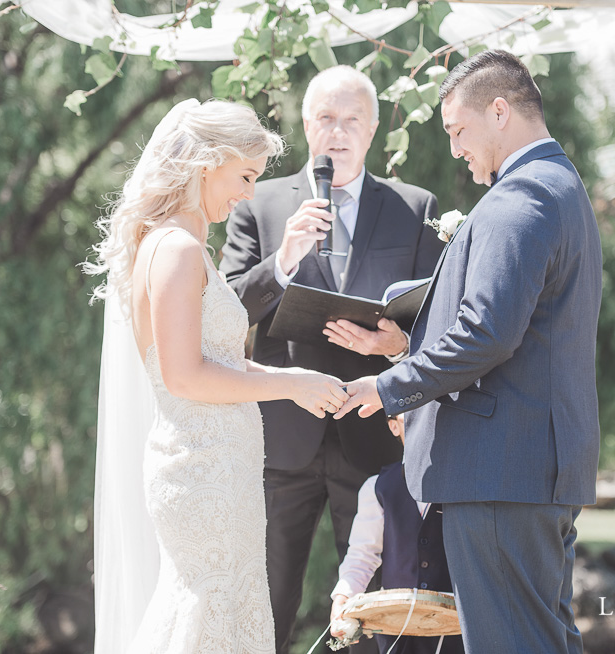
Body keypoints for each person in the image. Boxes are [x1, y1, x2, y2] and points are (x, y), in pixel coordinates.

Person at [337, 50, 603, 654]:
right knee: (543, 641)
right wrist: (408, 343)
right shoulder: (560, 186)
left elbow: (485, 334)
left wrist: (385, 386)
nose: (455, 148)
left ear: (500, 111)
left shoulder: (520, 199)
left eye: (458, 130)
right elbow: (523, 335)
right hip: (530, 467)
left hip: (500, 472)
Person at [88, 99, 349, 654]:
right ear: (208, 161)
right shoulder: (178, 249)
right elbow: (186, 376)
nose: (249, 193)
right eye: (246, 175)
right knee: (205, 618)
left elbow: (216, 362)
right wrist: (290, 384)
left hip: (213, 469)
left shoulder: (175, 245)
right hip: (203, 473)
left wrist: (297, 376)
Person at [220, 65, 445, 654]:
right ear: (305, 125)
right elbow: (223, 313)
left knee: (373, 608)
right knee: (266, 602)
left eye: (352, 120)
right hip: (281, 443)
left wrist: (393, 345)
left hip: (373, 439)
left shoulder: (415, 208)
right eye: (326, 118)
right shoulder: (259, 203)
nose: (338, 133)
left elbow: (439, 329)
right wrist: (284, 262)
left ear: (372, 131)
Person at [329, 415, 465, 654]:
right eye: (412, 418)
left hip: (454, 628)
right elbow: (362, 555)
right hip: (396, 630)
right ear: (394, 426)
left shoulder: (464, 484)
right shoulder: (377, 487)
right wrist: (342, 597)